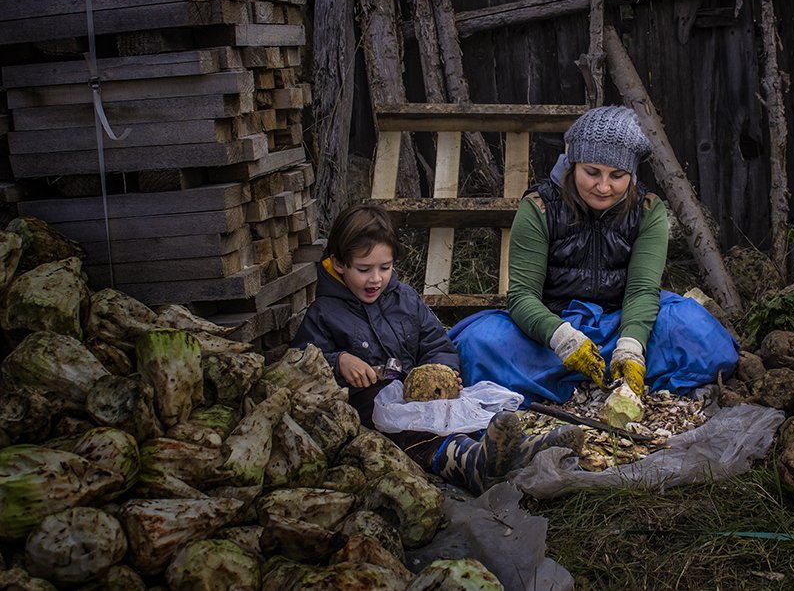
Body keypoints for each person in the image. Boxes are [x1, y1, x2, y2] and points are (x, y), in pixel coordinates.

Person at [449, 105, 740, 405]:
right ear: (573, 163)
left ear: (632, 173)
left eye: (617, 175)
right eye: (591, 172)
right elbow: (522, 297)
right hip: (550, 330)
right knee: (478, 343)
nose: (603, 187)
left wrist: (630, 346)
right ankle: (584, 379)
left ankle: (604, 374)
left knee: (702, 334)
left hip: (620, 323)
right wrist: (562, 338)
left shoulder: (647, 211)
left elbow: (642, 290)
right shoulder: (539, 208)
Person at [291, 203, 583, 495]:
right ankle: (471, 465)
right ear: (340, 264)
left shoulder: (404, 299)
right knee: (415, 432)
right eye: (364, 270)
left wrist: (444, 371)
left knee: (461, 409)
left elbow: (435, 342)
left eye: (385, 267)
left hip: (417, 398)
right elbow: (299, 363)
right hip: (372, 413)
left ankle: (521, 449)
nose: (376, 279)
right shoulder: (324, 312)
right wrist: (338, 361)